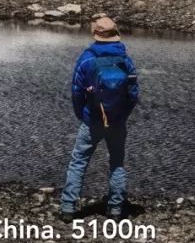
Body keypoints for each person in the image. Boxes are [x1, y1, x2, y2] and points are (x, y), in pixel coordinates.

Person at [59, 14, 139, 221]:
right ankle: (115, 209)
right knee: (117, 163)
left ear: (96, 34)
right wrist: (122, 115)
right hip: (118, 121)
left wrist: (82, 114)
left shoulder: (87, 58)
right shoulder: (125, 60)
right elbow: (133, 93)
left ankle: (68, 207)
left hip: (92, 119)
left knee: (79, 162)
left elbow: (77, 91)